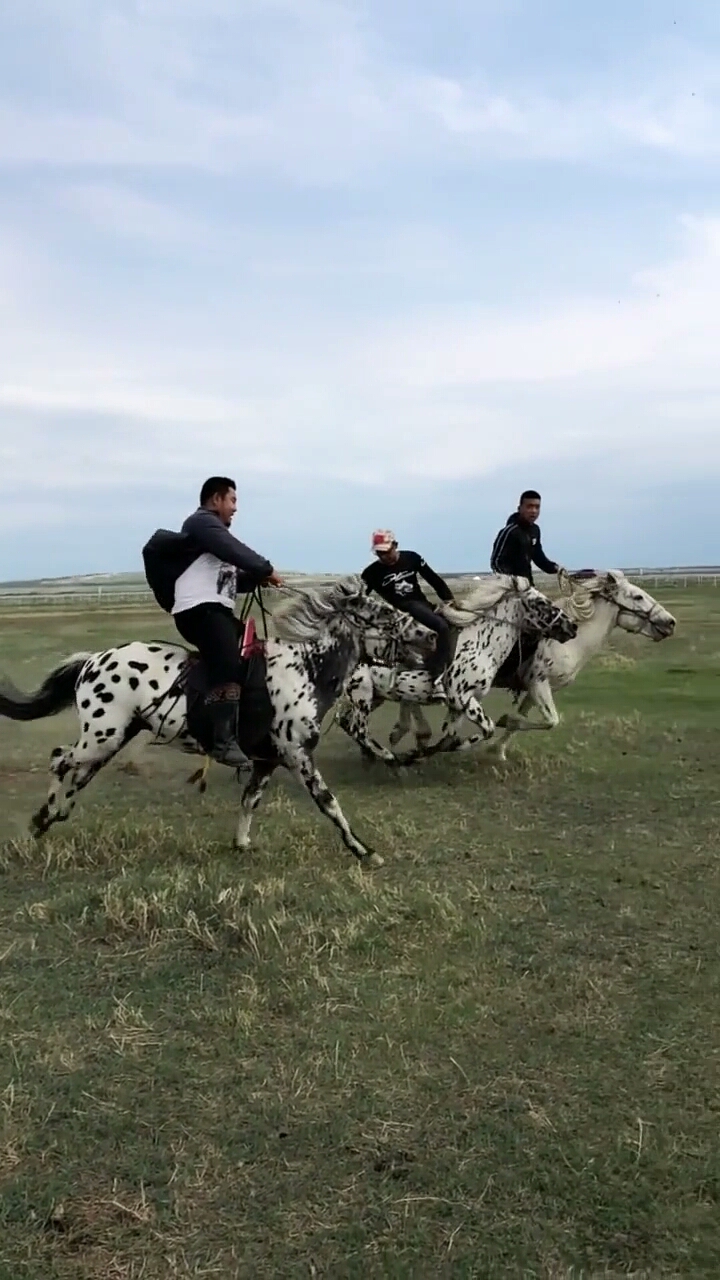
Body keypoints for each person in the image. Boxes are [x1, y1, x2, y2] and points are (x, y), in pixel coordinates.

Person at [170, 476, 282, 768]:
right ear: (216, 499)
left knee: (252, 656)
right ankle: (222, 743)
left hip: (214, 609)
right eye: (232, 500)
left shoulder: (210, 535)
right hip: (200, 610)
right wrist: (265, 568)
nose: (235, 508)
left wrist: (256, 579)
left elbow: (232, 582)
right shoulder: (201, 523)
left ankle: (245, 728)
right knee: (229, 663)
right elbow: (234, 549)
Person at [361, 530, 455, 688]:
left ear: (395, 545)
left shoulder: (412, 558)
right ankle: (437, 672)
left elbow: (433, 579)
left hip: (421, 605)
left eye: (387, 551)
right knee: (441, 627)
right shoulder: (371, 573)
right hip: (398, 614)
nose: (384, 556)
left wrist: (448, 599)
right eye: (379, 553)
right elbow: (360, 597)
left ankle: (451, 663)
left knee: (452, 624)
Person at [490, 489, 560, 585]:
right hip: (510, 588)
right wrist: (513, 581)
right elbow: (496, 562)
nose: (533, 511)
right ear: (520, 508)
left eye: (537, 507)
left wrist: (556, 568)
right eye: (529, 507)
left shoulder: (535, 530)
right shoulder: (509, 532)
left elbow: (539, 557)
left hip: (528, 585)